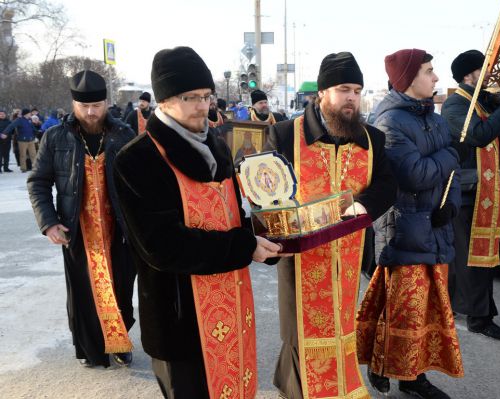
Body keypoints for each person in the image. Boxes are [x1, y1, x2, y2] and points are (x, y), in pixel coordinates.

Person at [113, 46, 283, 398]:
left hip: (231, 304)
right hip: (180, 318)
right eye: (190, 97)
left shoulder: (217, 145)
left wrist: (272, 236)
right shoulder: (138, 159)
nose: (203, 106)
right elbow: (162, 247)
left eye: (207, 96)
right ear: (164, 100)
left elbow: (234, 217)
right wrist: (244, 246)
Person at [265, 51, 396, 399]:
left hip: (350, 257)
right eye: (343, 89)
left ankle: (338, 387)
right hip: (300, 259)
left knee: (342, 327)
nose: (352, 97)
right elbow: (268, 193)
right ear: (322, 92)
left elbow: (386, 185)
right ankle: (295, 391)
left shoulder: (371, 139)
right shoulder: (283, 135)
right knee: (298, 333)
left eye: (357, 89)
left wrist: (358, 205)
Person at [357, 48, 464, 399]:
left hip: (434, 225)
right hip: (404, 227)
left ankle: (412, 374)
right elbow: (415, 174)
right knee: (404, 308)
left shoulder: (431, 118)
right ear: (408, 79)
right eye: (429, 71)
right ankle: (387, 366)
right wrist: (450, 155)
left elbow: (452, 177)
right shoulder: (389, 121)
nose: (436, 78)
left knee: (427, 308)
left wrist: (452, 204)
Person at [27, 70, 137, 368]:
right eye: (84, 106)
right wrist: (48, 222)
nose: (91, 112)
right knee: (85, 295)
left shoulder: (124, 134)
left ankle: (119, 340)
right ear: (74, 104)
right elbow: (38, 182)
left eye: (97, 105)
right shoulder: (56, 136)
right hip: (77, 229)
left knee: (121, 290)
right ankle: (92, 349)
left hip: (120, 229)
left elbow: (141, 181)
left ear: (106, 102)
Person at [441, 50, 500, 340]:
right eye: (483, 70)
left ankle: (475, 310)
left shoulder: (482, 102)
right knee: (470, 259)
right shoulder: (455, 106)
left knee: (480, 259)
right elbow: (481, 135)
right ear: (469, 75)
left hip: (486, 189)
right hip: (469, 191)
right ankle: (478, 317)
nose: (489, 75)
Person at [3, 108, 36, 172]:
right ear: (26, 114)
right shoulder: (19, 120)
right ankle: (23, 168)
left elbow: (33, 128)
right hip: (22, 141)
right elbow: (11, 126)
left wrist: (38, 132)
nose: (30, 114)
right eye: (29, 113)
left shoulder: (29, 120)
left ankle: (36, 168)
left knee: (33, 155)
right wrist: (5, 132)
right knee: (23, 155)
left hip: (31, 140)